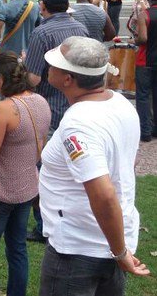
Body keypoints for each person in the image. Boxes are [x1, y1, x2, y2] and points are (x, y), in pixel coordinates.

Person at [38, 37, 149, 295]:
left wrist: (119, 252)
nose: (48, 67)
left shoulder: (78, 123)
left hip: (78, 250)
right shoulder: (120, 103)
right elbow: (128, 163)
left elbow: (104, 194)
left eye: (54, 65)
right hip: (107, 240)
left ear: (68, 79)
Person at [0, 52, 51, 296]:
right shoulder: (41, 102)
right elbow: (40, 144)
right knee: (17, 248)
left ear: (1, 79)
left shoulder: (3, 109)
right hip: (27, 187)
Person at [24, 0, 88, 243]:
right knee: (74, 169)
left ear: (43, 5)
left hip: (50, 109)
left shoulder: (41, 33)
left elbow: (33, 78)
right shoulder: (80, 28)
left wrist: (23, 63)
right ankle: (71, 219)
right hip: (77, 107)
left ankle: (44, 225)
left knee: (45, 171)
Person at [134, 0, 157, 142]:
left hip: (145, 61)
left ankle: (145, 131)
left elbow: (143, 38)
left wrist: (134, 40)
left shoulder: (144, 14)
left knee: (143, 96)